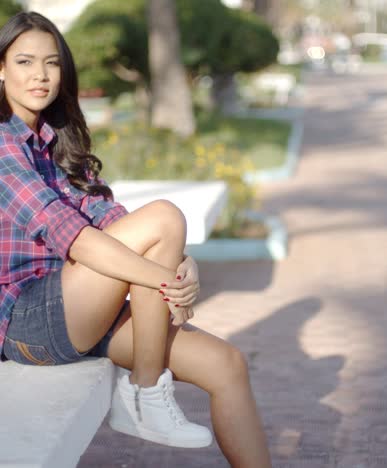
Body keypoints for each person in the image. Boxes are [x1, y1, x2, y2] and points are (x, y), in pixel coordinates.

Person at [0, 11, 271, 467]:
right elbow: (75, 239)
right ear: (1, 69)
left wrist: (181, 263)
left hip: (84, 305)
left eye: (52, 62)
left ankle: (146, 391)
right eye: (25, 62)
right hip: (28, 321)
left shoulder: (56, 140)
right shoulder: (3, 145)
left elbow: (111, 218)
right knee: (165, 216)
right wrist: (166, 280)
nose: (41, 75)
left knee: (227, 366)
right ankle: (145, 392)